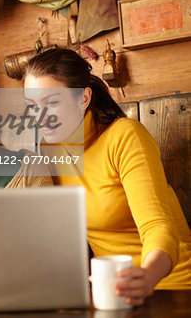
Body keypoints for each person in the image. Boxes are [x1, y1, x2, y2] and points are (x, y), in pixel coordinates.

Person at [23, 48, 191, 306]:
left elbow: (158, 226)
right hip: (112, 294)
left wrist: (147, 277)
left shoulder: (125, 137)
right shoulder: (49, 150)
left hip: (171, 287)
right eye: (33, 106)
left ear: (84, 98)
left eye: (52, 102)